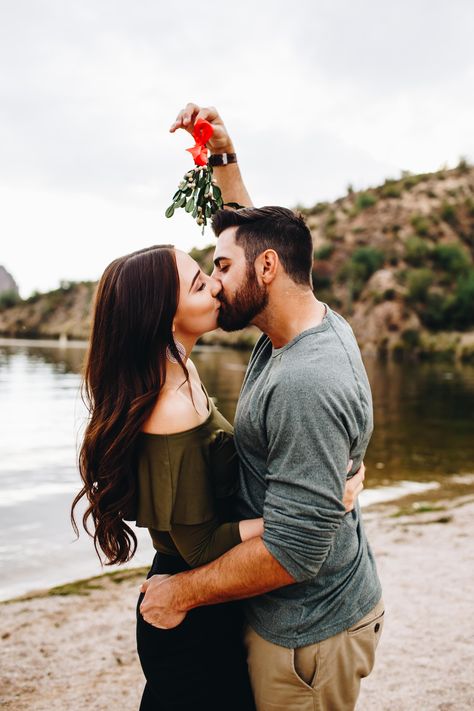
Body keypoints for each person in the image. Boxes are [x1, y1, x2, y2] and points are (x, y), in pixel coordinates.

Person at [139, 103, 384, 711]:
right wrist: (223, 155)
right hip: (296, 616)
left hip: (307, 638)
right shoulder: (298, 321)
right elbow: (252, 238)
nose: (215, 281)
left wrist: (181, 595)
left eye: (219, 268)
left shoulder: (306, 380)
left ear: (268, 270)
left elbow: (296, 551)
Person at [71, 241, 364, 709]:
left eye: (209, 270)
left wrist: (225, 166)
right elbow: (201, 545)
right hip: (193, 617)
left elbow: (265, 252)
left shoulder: (181, 369)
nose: (216, 283)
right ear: (165, 317)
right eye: (198, 283)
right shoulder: (168, 410)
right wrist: (314, 510)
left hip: (214, 599)